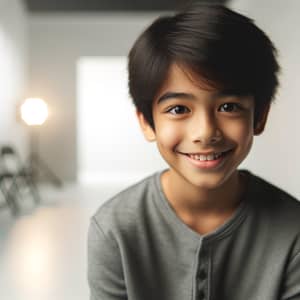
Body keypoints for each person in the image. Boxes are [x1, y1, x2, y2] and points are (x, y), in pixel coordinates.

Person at [87, 3, 300, 300]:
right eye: (178, 109)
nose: (205, 133)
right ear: (147, 123)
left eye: (229, 107)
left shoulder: (293, 230)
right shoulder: (114, 229)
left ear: (259, 116)